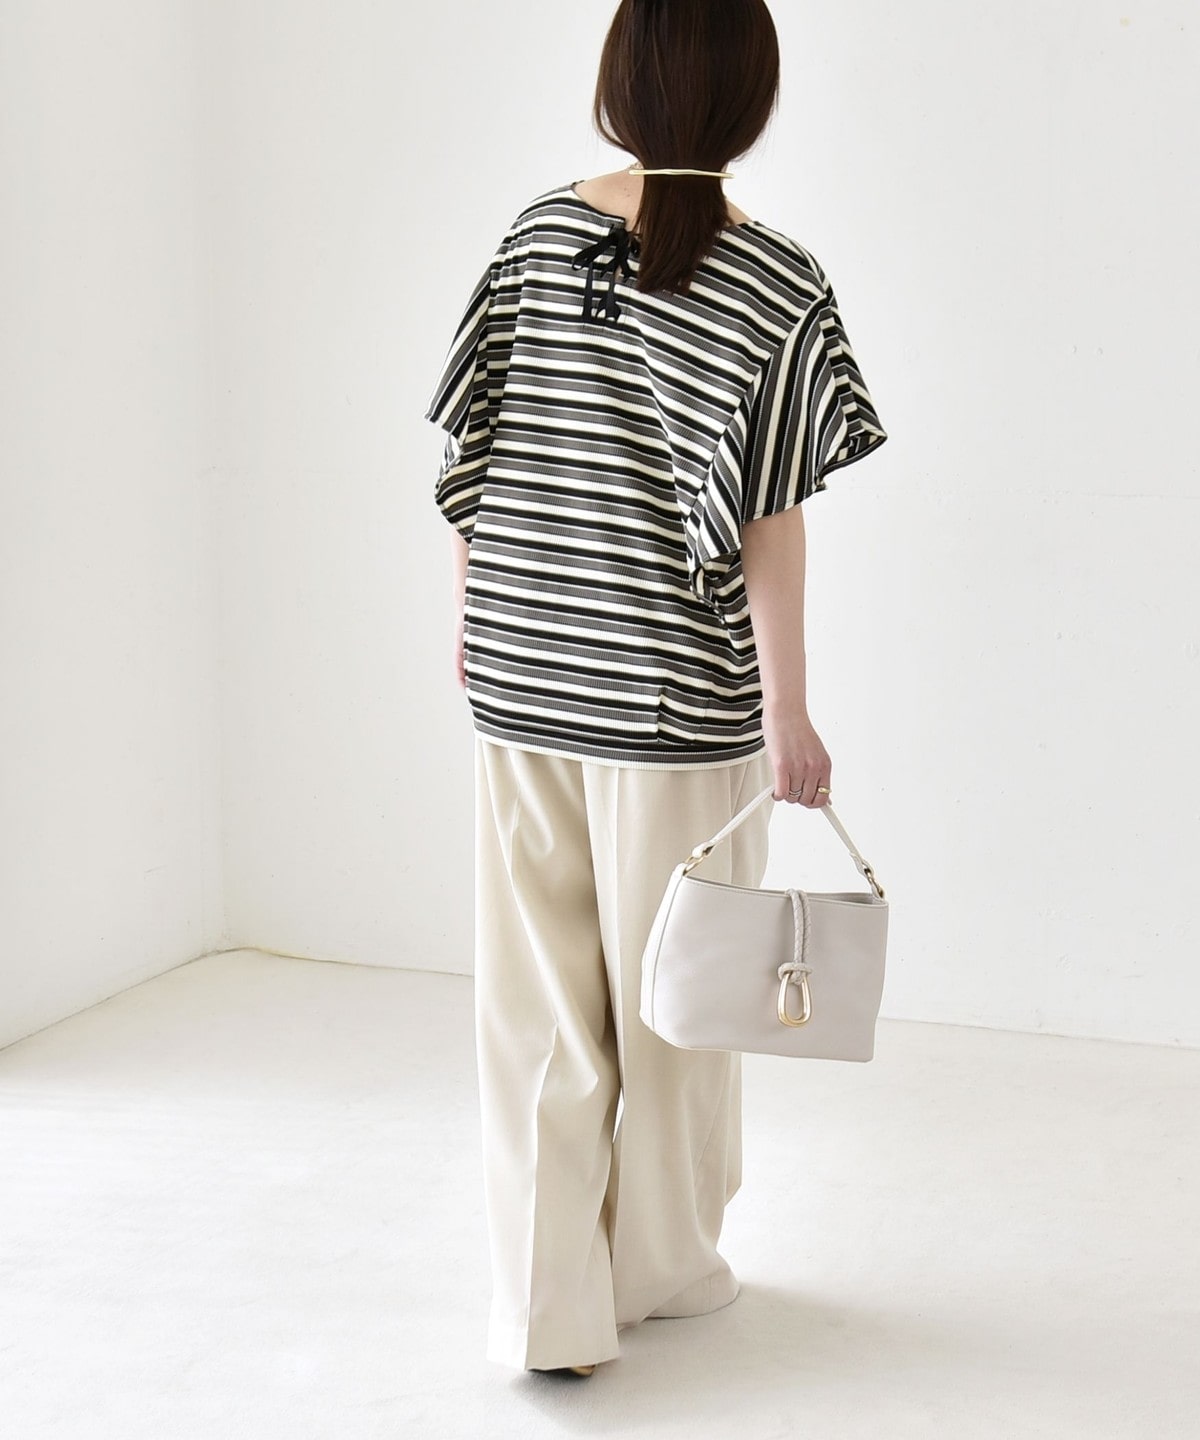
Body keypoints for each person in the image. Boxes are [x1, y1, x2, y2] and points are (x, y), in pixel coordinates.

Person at [423, 0, 887, 1379]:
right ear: (751, 95)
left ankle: (545, 1309)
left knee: (538, 1010)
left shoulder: (534, 237)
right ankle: (661, 1270)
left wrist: (476, 623)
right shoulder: (779, 282)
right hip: (676, 702)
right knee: (679, 1003)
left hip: (524, 671)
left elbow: (472, 453)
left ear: (619, 82)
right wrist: (788, 710)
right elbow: (772, 521)